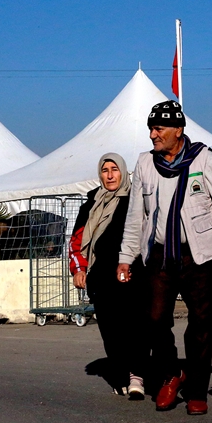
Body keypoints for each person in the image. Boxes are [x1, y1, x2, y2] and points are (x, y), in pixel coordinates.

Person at [116, 100, 212, 415]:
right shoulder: (144, 164)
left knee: (201, 325)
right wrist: (126, 257)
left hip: (199, 256)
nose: (153, 134)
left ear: (178, 130)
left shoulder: (203, 159)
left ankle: (197, 392)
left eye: (159, 128)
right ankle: (172, 373)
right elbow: (135, 217)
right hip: (159, 256)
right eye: (151, 128)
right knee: (154, 320)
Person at [69, 153, 149, 399]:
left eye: (115, 169)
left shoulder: (136, 198)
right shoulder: (91, 203)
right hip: (101, 277)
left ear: (123, 171)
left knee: (135, 326)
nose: (110, 175)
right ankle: (119, 372)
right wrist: (79, 269)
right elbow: (77, 240)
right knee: (110, 329)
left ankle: (138, 375)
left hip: (133, 273)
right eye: (105, 170)